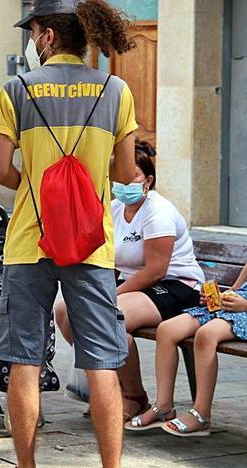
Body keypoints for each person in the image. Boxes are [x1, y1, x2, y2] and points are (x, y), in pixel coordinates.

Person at [0, 1, 148, 468]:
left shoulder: (16, 90)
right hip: (90, 246)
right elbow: (125, 173)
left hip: (27, 242)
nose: (33, 40)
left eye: (34, 31)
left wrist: (38, 185)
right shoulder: (115, 90)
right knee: (103, 358)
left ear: (50, 37)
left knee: (25, 359)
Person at [130, 201, 247, 436]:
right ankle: (163, 406)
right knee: (167, 329)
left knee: (206, 334)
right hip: (237, 310)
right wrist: (216, 299)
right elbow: (235, 290)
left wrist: (246, 305)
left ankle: (201, 413)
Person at [54, 140, 204, 422]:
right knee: (65, 310)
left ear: (147, 181)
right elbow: (106, 260)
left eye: (132, 175)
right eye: (120, 174)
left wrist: (111, 295)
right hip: (136, 285)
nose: (124, 181)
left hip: (177, 285)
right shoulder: (112, 208)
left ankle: (134, 397)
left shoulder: (157, 211)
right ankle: (109, 388)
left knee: (109, 317)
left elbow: (156, 270)